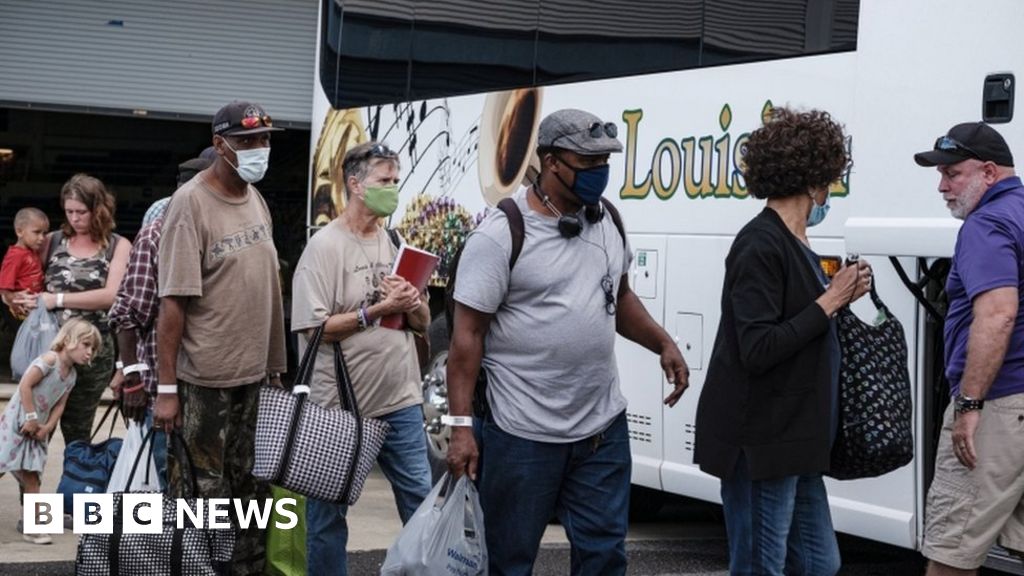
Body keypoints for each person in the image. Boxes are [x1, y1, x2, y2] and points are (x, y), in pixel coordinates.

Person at [445, 108, 690, 575]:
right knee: (508, 561)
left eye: (605, 162)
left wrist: (662, 342)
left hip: (601, 432)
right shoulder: (500, 236)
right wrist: (461, 428)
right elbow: (466, 338)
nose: (599, 173)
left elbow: (619, 297)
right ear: (552, 161)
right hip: (523, 435)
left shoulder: (609, 221)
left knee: (603, 557)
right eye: (588, 162)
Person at [693, 107, 872, 576]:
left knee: (819, 564)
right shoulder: (759, 244)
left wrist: (843, 295)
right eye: (830, 178)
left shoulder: (800, 243)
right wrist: (831, 301)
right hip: (761, 444)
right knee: (759, 566)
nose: (831, 189)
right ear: (813, 180)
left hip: (798, 442)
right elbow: (758, 348)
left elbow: (804, 326)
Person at [154, 100, 287, 576]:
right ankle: (191, 569)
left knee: (249, 488)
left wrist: (274, 366)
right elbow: (173, 305)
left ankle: (244, 570)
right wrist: (166, 390)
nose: (259, 149)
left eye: (265, 139)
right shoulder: (189, 204)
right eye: (248, 141)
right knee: (198, 494)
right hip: (203, 381)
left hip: (253, 378)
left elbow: (264, 288)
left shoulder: (255, 197)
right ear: (220, 145)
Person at [291, 140, 432, 576]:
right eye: (383, 181)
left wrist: (411, 302)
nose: (392, 188)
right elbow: (313, 329)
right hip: (339, 409)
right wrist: (376, 311)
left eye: (395, 179)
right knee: (327, 520)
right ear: (355, 184)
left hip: (401, 399)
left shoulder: (395, 240)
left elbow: (423, 321)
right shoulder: (325, 247)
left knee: (422, 506)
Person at [914, 122, 1024, 575]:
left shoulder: (987, 223)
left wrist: (970, 402)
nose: (942, 186)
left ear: (990, 172)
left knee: (951, 553)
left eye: (952, 173)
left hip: (999, 406)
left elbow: (998, 314)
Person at [108, 152, 214, 488]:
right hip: (164, 389)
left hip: (212, 385)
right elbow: (127, 312)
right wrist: (134, 378)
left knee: (204, 486)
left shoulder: (220, 231)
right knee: (168, 481)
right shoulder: (156, 234)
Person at [15, 174, 131, 445]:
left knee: (78, 431)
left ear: (98, 210)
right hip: (51, 348)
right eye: (69, 212)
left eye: (82, 212)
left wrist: (57, 300)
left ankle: (75, 485)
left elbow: (111, 296)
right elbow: (26, 279)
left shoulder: (117, 245)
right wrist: (16, 298)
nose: (75, 218)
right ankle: (29, 488)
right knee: (33, 427)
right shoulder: (52, 241)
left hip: (93, 352)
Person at [0, 318, 100, 544]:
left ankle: (32, 525)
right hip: (18, 424)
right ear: (68, 340)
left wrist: (47, 427)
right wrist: (31, 417)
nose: (89, 353)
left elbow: (60, 404)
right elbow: (25, 385)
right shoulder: (49, 360)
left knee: (32, 476)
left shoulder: (71, 376)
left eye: (92, 349)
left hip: (37, 430)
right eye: (86, 345)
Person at [0, 208, 49, 319]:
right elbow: (3, 287)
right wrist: (14, 302)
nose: (42, 238)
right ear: (19, 231)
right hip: (23, 309)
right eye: (36, 232)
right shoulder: (15, 256)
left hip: (36, 306)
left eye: (44, 233)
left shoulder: (32, 251)